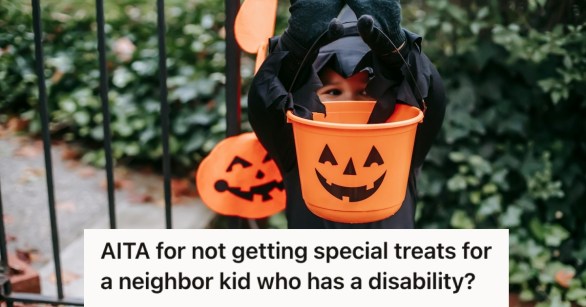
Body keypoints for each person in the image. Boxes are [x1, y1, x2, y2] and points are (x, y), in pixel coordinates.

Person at [247, 0, 446, 229]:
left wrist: (397, 52)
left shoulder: (407, 141)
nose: (349, 102)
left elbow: (427, 93)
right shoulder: (294, 145)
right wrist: (294, 52)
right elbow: (267, 104)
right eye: (333, 91)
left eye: (365, 90)